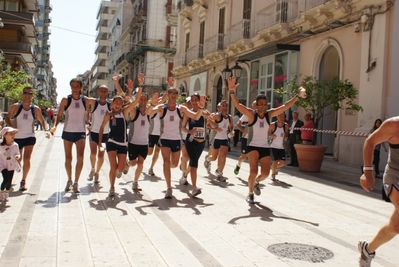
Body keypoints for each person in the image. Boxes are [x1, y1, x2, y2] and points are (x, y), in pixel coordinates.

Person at [229, 76, 306, 203]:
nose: (263, 106)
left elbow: (285, 106)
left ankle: (256, 183)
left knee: (265, 174)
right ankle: (250, 194)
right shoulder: (250, 114)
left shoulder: (269, 114)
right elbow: (237, 104)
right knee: (253, 171)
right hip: (252, 146)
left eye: (265, 104)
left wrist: (297, 96)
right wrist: (231, 91)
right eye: (261, 104)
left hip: (265, 147)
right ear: (257, 104)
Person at [148, 77, 205, 199]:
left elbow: (195, 117)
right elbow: (149, 112)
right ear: (168, 94)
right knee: (166, 162)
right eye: (171, 93)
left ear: (177, 95)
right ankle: (169, 188)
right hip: (164, 139)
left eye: (176, 93)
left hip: (177, 140)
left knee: (173, 164)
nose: (173, 95)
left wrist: (200, 107)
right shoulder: (162, 108)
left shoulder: (181, 109)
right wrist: (153, 103)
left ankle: (172, 168)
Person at [358, 116, 399, 267]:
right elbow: (370, 141)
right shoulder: (394, 125)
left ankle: (367, 250)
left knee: (395, 227)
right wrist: (368, 171)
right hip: (395, 179)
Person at [98, 84, 142, 198]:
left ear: (122, 105)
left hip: (123, 144)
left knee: (120, 168)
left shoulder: (124, 112)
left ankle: (125, 164)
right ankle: (112, 188)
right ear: (112, 103)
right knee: (113, 167)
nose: (117, 105)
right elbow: (102, 127)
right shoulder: (108, 114)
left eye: (119, 103)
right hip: (111, 142)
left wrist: (140, 84)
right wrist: (100, 144)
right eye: (115, 102)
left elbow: (136, 100)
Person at [5, 86, 50, 191]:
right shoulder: (16, 107)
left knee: (27, 158)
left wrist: (46, 130)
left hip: (29, 136)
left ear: (32, 95)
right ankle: (11, 177)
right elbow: (7, 118)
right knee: (18, 158)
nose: (27, 95)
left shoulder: (35, 109)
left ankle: (23, 181)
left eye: (30, 93)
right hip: (17, 138)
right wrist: (11, 128)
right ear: (22, 94)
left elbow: (42, 121)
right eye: (25, 93)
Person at [53, 78, 89, 193]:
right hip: (68, 131)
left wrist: (89, 124)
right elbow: (58, 115)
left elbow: (90, 112)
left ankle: (76, 182)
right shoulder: (65, 100)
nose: (75, 88)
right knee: (68, 158)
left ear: (80, 87)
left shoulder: (85, 100)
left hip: (80, 132)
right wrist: (54, 126)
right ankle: (69, 179)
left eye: (77, 86)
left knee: (80, 157)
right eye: (73, 86)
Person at [180, 93, 210, 197]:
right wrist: (189, 131)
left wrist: (212, 121)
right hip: (191, 141)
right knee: (195, 162)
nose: (193, 102)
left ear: (200, 101)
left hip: (201, 143)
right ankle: (194, 188)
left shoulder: (204, 112)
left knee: (192, 163)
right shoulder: (188, 113)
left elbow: (211, 123)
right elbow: (183, 127)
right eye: (192, 100)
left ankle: (184, 175)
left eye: (196, 100)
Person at [125, 74, 149, 191]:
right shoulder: (134, 111)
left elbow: (160, 103)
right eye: (141, 99)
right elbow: (128, 102)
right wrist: (134, 88)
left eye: (145, 99)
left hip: (144, 143)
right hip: (133, 142)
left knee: (140, 164)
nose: (143, 101)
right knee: (133, 163)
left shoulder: (149, 112)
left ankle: (135, 182)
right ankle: (128, 164)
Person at [86, 85, 111, 183]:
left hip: (105, 133)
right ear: (98, 92)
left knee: (101, 156)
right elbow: (83, 100)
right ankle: (92, 169)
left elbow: (122, 101)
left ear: (107, 92)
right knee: (93, 153)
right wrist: (88, 120)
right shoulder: (94, 102)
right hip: (94, 132)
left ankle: (97, 172)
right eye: (101, 90)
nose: (103, 92)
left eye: (105, 90)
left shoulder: (110, 103)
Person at [203, 100, 234, 181]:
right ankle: (207, 159)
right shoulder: (216, 116)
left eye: (226, 105)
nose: (224, 107)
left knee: (223, 156)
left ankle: (220, 173)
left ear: (227, 107)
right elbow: (208, 125)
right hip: (215, 138)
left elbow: (231, 126)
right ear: (220, 107)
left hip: (224, 138)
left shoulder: (230, 117)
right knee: (213, 157)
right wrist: (216, 128)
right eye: (222, 105)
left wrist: (232, 131)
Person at [234, 101, 257, 175]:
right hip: (246, 139)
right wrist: (243, 130)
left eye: (257, 105)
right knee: (243, 157)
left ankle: (252, 174)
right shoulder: (247, 114)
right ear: (252, 106)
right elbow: (238, 124)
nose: (256, 107)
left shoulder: (260, 116)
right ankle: (238, 164)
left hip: (254, 140)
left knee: (254, 158)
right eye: (255, 105)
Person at [0, 127, 21, 202]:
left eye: (13, 134)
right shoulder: (1, 146)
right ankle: (1, 192)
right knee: (5, 179)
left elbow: (18, 153)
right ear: (5, 135)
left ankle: (6, 193)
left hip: (11, 165)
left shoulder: (15, 145)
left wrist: (17, 156)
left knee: (9, 181)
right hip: (2, 165)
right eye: (10, 134)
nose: (13, 135)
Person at [269, 113, 289, 181]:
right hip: (273, 146)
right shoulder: (272, 125)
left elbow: (286, 134)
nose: (281, 118)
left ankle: (274, 168)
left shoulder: (285, 125)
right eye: (280, 116)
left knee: (283, 163)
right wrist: (271, 135)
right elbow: (267, 133)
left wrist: (286, 137)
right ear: (277, 117)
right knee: (275, 161)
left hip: (281, 147)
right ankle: (273, 174)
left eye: (283, 116)